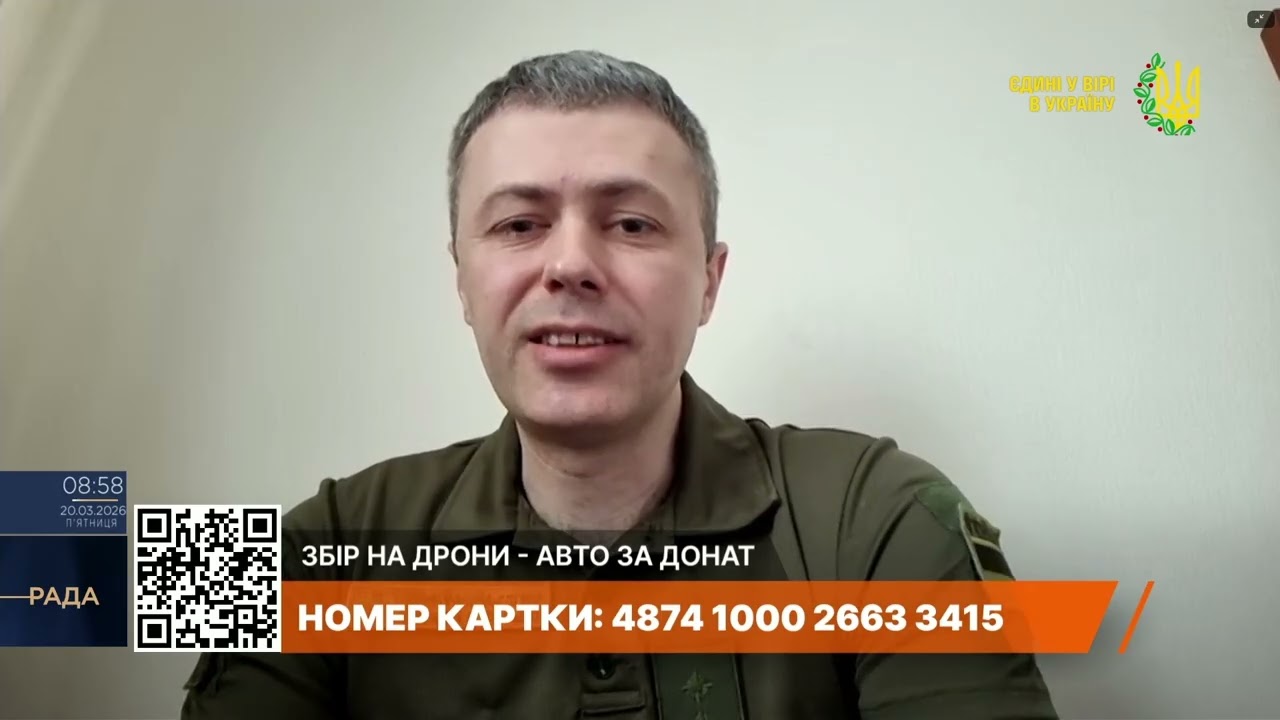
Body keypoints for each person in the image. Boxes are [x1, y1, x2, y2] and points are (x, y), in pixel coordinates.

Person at [179, 49, 1058, 719]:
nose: (570, 264)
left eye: (631, 224)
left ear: (709, 281)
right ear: (461, 281)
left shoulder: (885, 520)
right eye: (518, 224)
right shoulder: (312, 545)